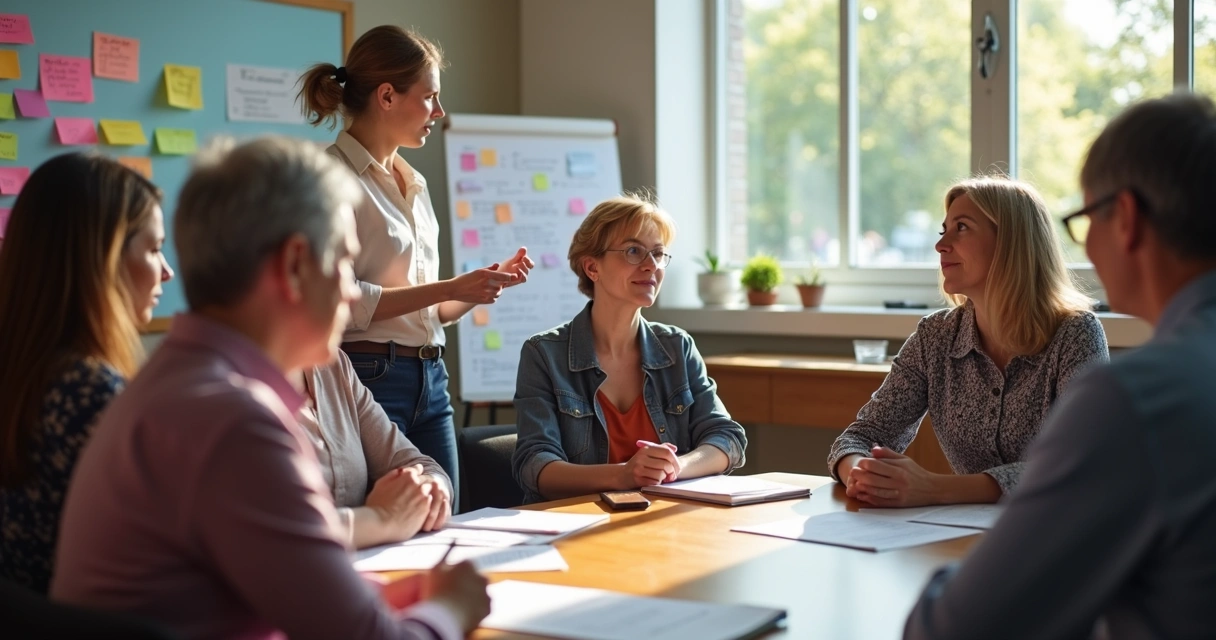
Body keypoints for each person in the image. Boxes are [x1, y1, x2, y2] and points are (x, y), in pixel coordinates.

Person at [51, 137, 489, 639]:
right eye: (345, 263)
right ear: (295, 265)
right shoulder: (233, 421)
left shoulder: (182, 383)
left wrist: (386, 600)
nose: (352, 293)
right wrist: (452, 609)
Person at [904, 92, 1216, 640]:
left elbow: (957, 628)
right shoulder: (939, 333)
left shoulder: (1135, 400)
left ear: (1125, 219)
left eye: (1085, 219)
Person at [299, 26, 534, 501]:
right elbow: (343, 299)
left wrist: (477, 289)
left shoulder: (414, 182)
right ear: (387, 96)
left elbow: (431, 316)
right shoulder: (329, 179)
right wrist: (450, 287)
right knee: (389, 526)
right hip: (368, 376)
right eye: (430, 98)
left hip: (432, 378)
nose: (439, 113)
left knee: (444, 518)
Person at [829, 176, 1108, 507]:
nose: (941, 245)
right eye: (943, 230)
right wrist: (862, 473)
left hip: (1061, 533)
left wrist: (933, 488)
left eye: (961, 228)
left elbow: (1083, 463)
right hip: (963, 534)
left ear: (1011, 242)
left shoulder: (1076, 334)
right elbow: (859, 438)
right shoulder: (935, 337)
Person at [0, 153, 173, 594]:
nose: (168, 272)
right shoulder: (91, 394)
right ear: (103, 260)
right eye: (154, 249)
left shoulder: (29, 372)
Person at [512, 194, 747, 504]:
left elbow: (727, 438)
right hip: (575, 527)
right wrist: (624, 474)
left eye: (659, 253)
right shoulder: (543, 354)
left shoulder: (678, 347)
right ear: (592, 267)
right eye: (634, 251)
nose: (651, 266)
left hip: (665, 526)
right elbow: (535, 466)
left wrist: (675, 467)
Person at [299, 352, 453, 549]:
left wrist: (430, 487)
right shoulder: (249, 393)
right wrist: (383, 518)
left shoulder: (335, 365)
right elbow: (279, 532)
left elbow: (422, 465)